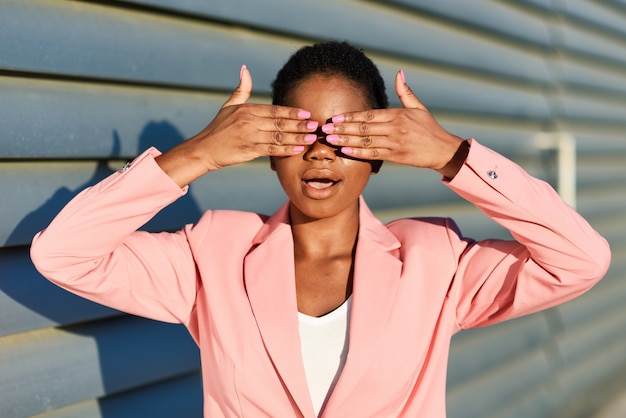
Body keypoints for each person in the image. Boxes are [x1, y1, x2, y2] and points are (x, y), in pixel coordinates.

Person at [31, 41, 611, 417]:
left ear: (379, 154)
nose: (322, 154)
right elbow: (62, 254)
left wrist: (454, 156)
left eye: (347, 135)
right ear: (271, 149)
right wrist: (197, 155)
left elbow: (580, 260)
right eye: (301, 133)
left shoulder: (436, 262)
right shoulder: (212, 256)